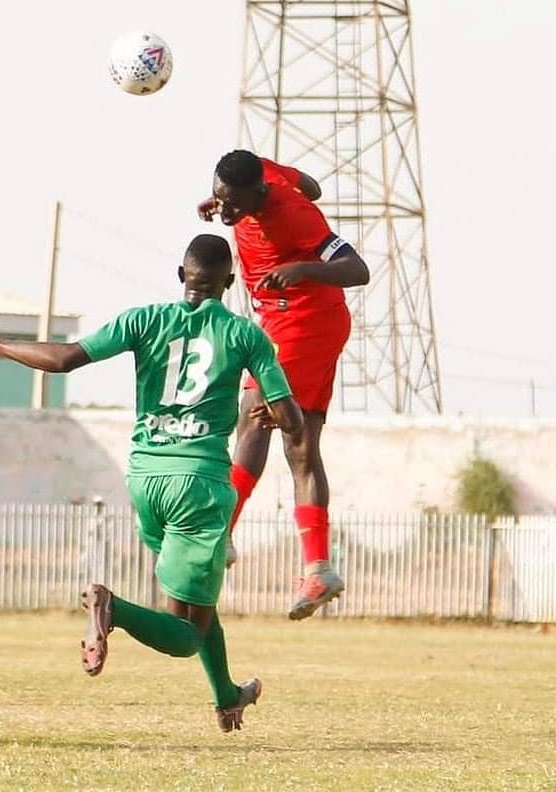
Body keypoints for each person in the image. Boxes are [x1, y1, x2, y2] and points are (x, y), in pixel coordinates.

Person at [0, 234, 303, 732]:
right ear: (230, 281)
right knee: (185, 634)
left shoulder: (143, 320)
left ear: (181, 277)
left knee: (197, 601)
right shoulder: (245, 334)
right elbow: (292, 420)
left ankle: (227, 697)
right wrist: (273, 413)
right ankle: (111, 607)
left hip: (145, 480)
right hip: (198, 485)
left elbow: (65, 358)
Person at [197, 149, 370, 620]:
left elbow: (357, 269)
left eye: (234, 203)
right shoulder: (260, 176)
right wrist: (225, 204)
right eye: (219, 198)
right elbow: (312, 185)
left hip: (303, 321)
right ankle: (319, 569)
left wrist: (302, 267)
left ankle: (219, 534)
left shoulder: (293, 215)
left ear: (259, 192)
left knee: (255, 418)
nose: (226, 211)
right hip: (296, 320)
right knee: (300, 445)